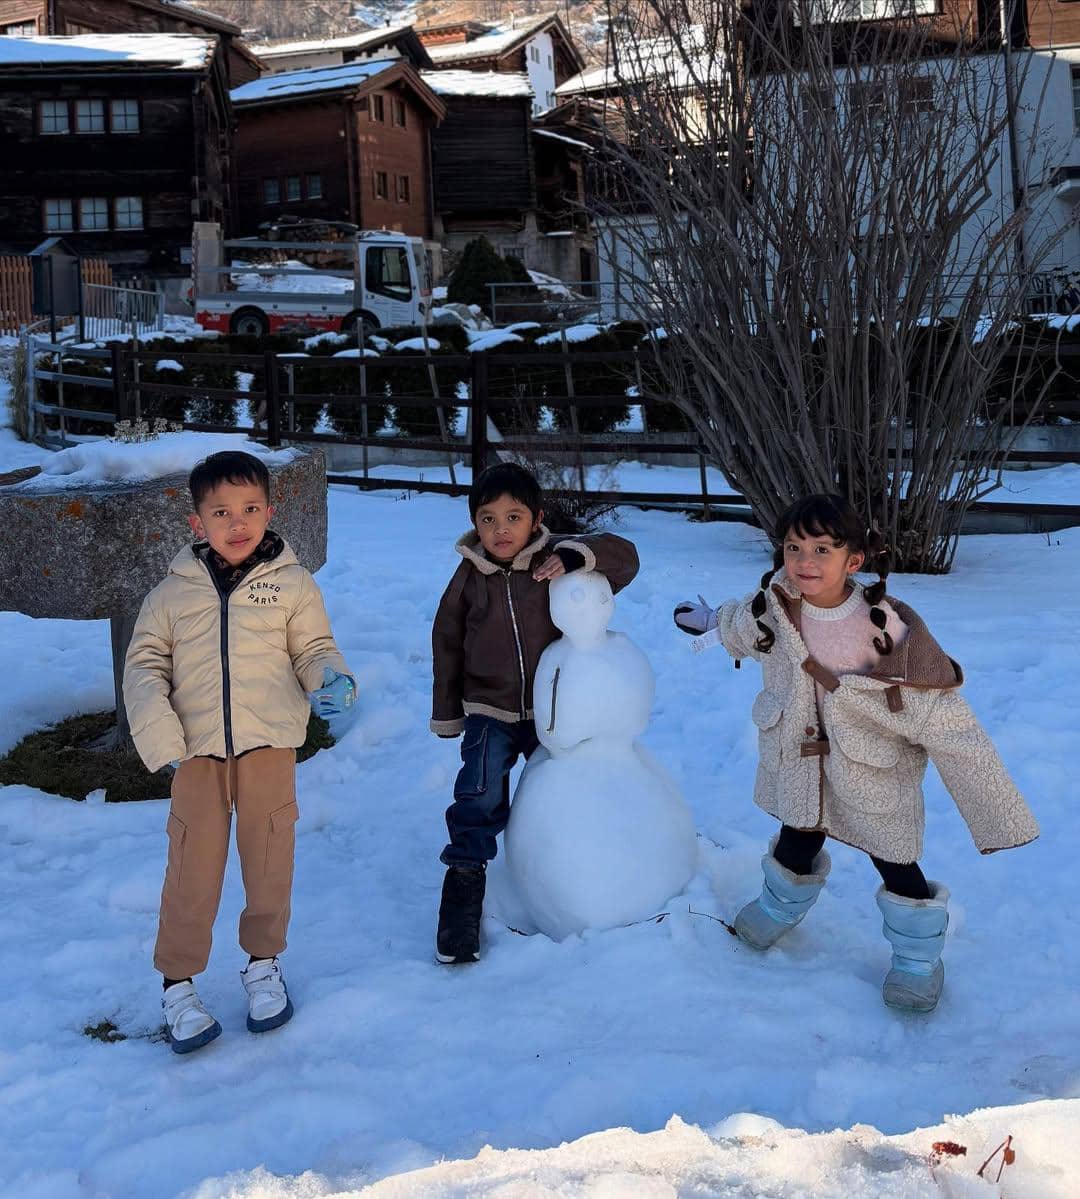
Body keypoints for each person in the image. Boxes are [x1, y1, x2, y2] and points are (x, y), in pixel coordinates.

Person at [674, 493, 1038, 1013]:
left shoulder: (883, 627)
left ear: (855, 561)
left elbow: (942, 716)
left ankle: (917, 962)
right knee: (796, 839)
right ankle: (777, 911)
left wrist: (996, 808)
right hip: (802, 763)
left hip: (871, 774)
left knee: (896, 863)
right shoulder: (778, 605)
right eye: (794, 547)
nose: (804, 561)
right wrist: (713, 621)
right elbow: (747, 628)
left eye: (823, 549)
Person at [124, 450, 355, 1053]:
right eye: (221, 512)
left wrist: (328, 676)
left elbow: (313, 648)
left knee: (269, 860)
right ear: (196, 522)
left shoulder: (292, 585)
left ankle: (263, 964)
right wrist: (161, 736)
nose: (238, 522)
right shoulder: (170, 596)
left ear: (270, 512)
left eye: (251, 508)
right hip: (195, 754)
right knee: (192, 869)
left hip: (268, 749)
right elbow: (144, 665)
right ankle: (179, 984)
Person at [431, 462, 639, 964]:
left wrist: (573, 556)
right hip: (490, 709)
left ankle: (584, 869)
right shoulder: (468, 577)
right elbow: (447, 642)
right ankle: (464, 880)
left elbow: (626, 559)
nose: (501, 530)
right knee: (478, 793)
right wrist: (447, 711)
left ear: (536, 518)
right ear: (474, 524)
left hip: (554, 714)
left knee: (564, 795)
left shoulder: (553, 561)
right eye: (488, 519)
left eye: (513, 517)